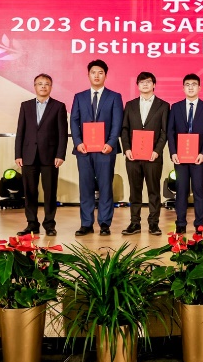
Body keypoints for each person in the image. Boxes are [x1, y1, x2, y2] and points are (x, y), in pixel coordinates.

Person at [70, 60, 123, 236]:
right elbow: (74, 121)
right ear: (88, 75)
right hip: (84, 149)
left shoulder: (114, 97)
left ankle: (105, 223)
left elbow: (117, 122)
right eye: (93, 72)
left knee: (105, 186)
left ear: (105, 75)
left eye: (100, 72)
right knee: (85, 187)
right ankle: (86, 224)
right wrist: (78, 142)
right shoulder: (79, 97)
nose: (97, 76)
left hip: (105, 150)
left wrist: (111, 143)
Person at [14, 73, 68, 237]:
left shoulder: (58, 106)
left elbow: (62, 133)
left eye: (46, 84)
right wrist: (18, 154)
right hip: (28, 155)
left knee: (50, 192)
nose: (43, 86)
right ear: (35, 86)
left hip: (50, 157)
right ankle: (32, 224)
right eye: (40, 83)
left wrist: (60, 154)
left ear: (51, 87)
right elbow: (20, 131)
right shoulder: (26, 106)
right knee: (30, 192)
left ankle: (49, 225)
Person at [120, 72, 170, 236]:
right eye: (142, 82)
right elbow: (124, 129)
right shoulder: (130, 105)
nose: (145, 84)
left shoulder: (163, 105)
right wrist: (126, 148)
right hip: (133, 156)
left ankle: (154, 224)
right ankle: (134, 223)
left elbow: (164, 132)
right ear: (138, 85)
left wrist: (157, 151)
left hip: (153, 157)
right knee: (135, 191)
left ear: (154, 85)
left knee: (153, 191)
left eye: (148, 82)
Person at [167, 73, 203, 234]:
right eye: (187, 85)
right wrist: (173, 152)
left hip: (198, 157)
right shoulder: (176, 107)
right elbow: (170, 131)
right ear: (183, 88)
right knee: (181, 190)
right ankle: (180, 223)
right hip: (180, 157)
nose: (190, 87)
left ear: (199, 88)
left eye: (194, 84)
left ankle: (199, 224)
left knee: (198, 190)